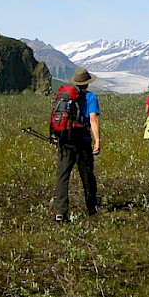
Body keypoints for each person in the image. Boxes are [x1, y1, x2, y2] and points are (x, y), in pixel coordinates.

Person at [53, 68, 101, 222]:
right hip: (83, 140)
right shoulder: (91, 97)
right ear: (87, 83)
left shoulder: (64, 97)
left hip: (65, 139)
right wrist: (97, 140)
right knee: (87, 173)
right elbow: (93, 119)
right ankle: (91, 207)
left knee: (62, 176)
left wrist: (56, 136)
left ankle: (60, 212)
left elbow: (57, 117)